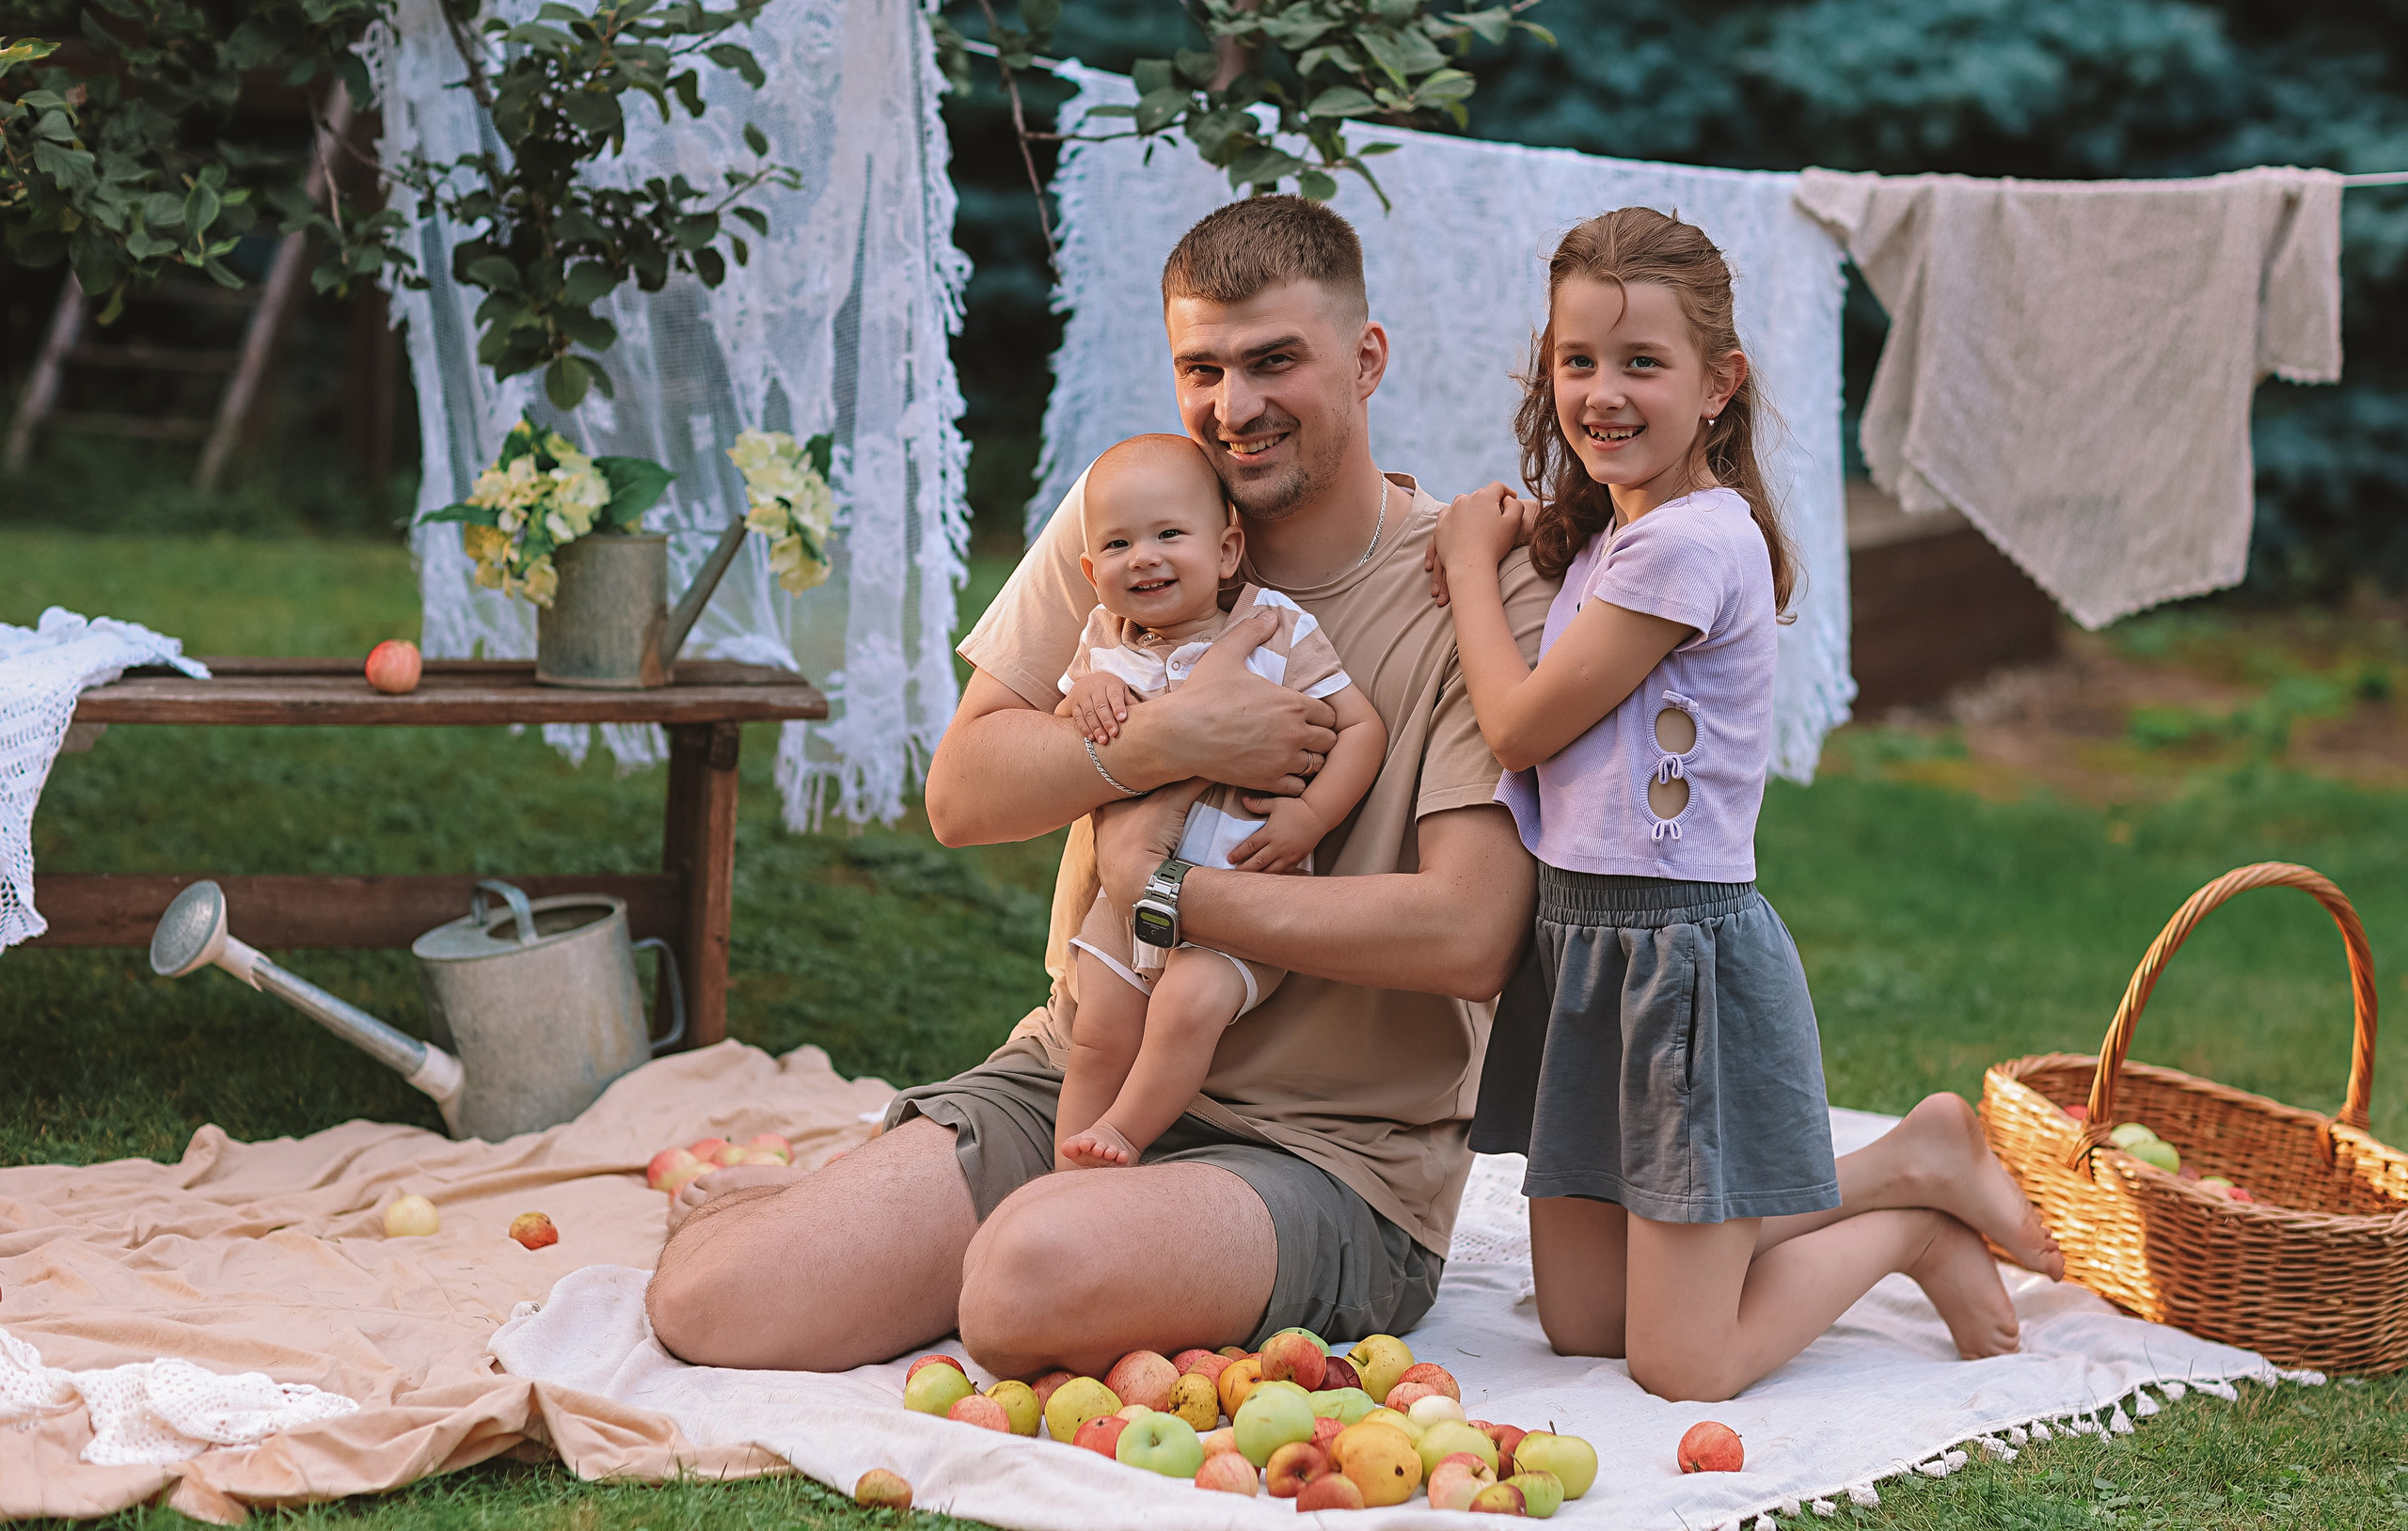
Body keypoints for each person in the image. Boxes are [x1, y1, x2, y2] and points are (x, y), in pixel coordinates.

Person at [644, 194, 2059, 1383]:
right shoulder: (1136, 518)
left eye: (1275, 362)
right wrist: (1164, 741)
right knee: (713, 1304)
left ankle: (1056, 1241)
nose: (1234, 406)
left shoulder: (1486, 591)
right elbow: (963, 791)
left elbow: (1465, 935)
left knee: (1020, 1286)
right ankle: (858, 1206)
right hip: (1078, 1068)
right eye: (1203, 369)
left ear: (1366, 355)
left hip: (1331, 1157)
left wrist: (1169, 896)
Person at [1431, 206, 2064, 1404]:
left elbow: (1517, 726)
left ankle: (1909, 1223)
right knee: (1579, 1324)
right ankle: (1902, 1160)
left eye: (1641, 363)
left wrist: (1468, 562)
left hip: (1675, 962)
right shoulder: (1614, 539)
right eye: (1577, 360)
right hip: (1576, 948)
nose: (1602, 392)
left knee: (1683, 1364)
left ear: (1719, 384)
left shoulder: (1693, 545)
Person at [1051, 433, 1386, 1170]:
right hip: (1124, 898)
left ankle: (1124, 1136)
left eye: (1169, 534)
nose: (1143, 556)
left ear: (1228, 549)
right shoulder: (1104, 644)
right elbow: (1067, 735)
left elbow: (1362, 726)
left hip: (1245, 895)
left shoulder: (1274, 627)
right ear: (1090, 570)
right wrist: (1089, 698)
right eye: (1117, 543)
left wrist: (1311, 815)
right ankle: (1069, 1174)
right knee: (1097, 1032)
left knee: (1184, 1008)